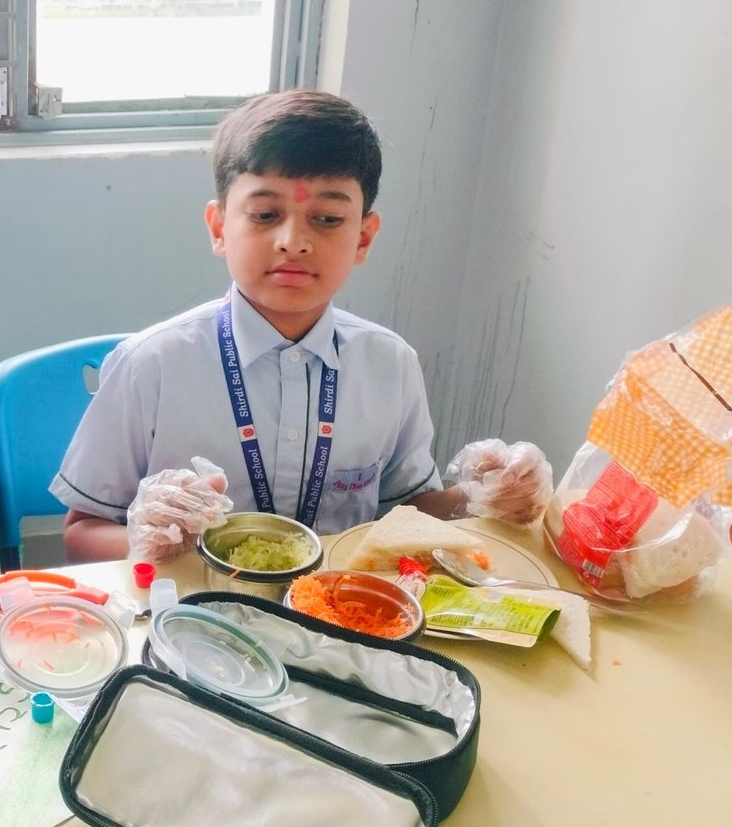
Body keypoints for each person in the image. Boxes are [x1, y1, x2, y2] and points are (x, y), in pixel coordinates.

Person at [51, 89, 552, 563]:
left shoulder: (390, 364)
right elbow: (80, 534)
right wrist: (146, 537)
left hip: (343, 608)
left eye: (328, 219)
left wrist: (483, 498)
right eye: (265, 214)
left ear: (364, 238)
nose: (293, 241)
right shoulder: (151, 365)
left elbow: (407, 511)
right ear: (220, 228)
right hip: (193, 608)